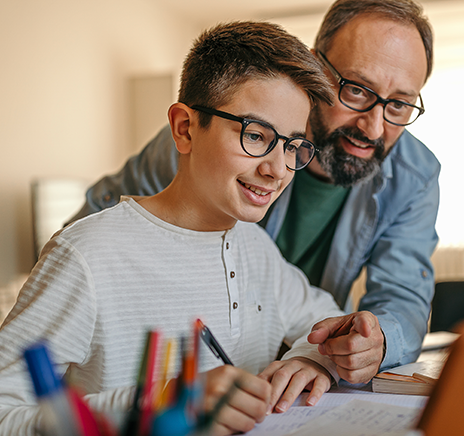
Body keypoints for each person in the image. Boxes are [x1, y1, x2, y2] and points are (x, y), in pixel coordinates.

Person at [0, 21, 354, 436]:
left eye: (292, 146)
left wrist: (312, 359)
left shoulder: (255, 247)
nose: (277, 170)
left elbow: (328, 319)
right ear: (185, 129)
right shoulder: (87, 255)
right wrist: (160, 402)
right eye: (256, 135)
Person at [72, 0, 439, 400]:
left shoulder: (414, 175)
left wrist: (355, 347)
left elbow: (397, 299)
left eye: (400, 104)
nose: (374, 126)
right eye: (356, 90)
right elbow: (103, 232)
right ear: (316, 68)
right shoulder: (208, 133)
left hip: (291, 378)